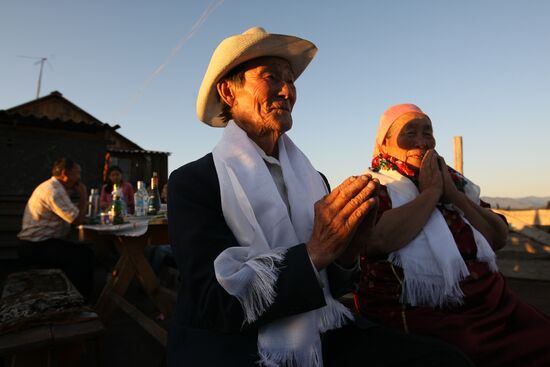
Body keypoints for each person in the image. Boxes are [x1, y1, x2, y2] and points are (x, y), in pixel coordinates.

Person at [167, 27, 473, 367]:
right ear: (228, 91)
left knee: (447, 361)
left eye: (291, 80)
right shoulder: (193, 183)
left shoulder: (313, 179)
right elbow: (215, 304)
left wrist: (348, 250)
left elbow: (336, 283)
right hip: (238, 344)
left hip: (321, 326)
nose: (287, 91)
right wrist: (315, 252)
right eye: (271, 77)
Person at [354, 103, 550, 366]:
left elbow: (498, 236)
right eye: (409, 133)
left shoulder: (455, 184)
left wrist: (453, 195)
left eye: (428, 132)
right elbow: (377, 241)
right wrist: (430, 194)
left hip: (492, 303)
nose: (422, 142)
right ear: (385, 144)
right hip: (427, 313)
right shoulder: (373, 187)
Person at [18, 158, 96, 298]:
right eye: (77, 174)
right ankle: (77, 300)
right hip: (36, 245)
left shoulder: (55, 187)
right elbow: (77, 220)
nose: (79, 178)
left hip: (40, 243)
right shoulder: (54, 190)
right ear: (65, 173)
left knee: (84, 252)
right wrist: (84, 196)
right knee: (83, 257)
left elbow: (73, 214)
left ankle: (74, 294)